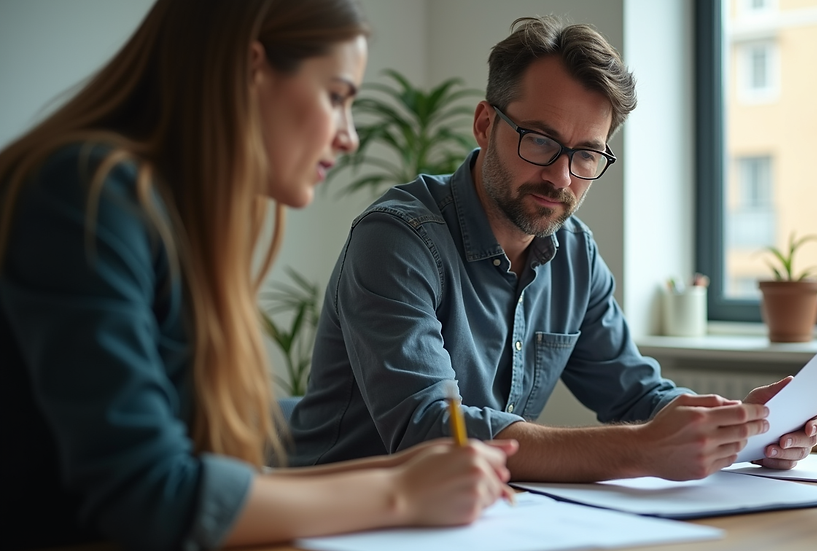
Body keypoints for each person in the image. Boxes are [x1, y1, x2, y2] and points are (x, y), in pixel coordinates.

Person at [0, 1, 517, 550]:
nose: (350, 138)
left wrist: (408, 475)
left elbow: (201, 473)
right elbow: (147, 493)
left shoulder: (172, 218)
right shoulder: (86, 196)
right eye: (337, 96)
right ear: (251, 70)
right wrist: (401, 495)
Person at [288, 15, 817, 482]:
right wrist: (644, 449)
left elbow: (634, 392)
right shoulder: (398, 240)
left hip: (486, 516)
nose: (560, 176)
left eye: (587, 155)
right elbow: (431, 431)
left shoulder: (573, 251)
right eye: (541, 141)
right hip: (347, 524)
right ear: (485, 124)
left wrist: (744, 426)